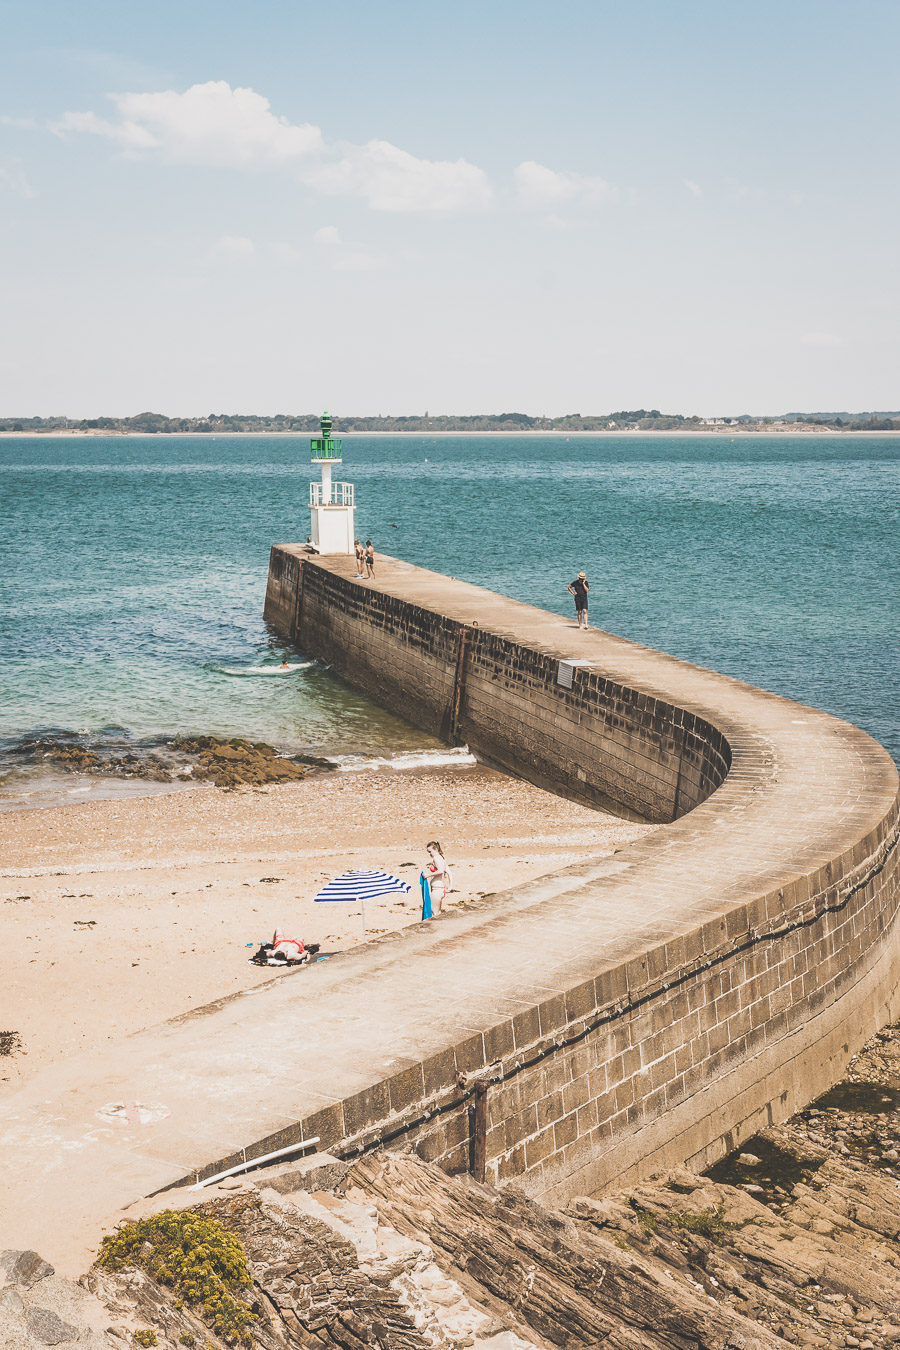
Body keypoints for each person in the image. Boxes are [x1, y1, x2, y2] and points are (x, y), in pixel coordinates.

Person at [425, 840, 452, 914]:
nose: (430, 854)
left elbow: (440, 871)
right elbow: (449, 873)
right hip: (441, 890)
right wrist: (450, 887)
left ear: (435, 849)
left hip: (437, 890)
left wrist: (428, 875)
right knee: (438, 912)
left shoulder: (436, 858)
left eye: (430, 851)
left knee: (434, 912)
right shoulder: (442, 859)